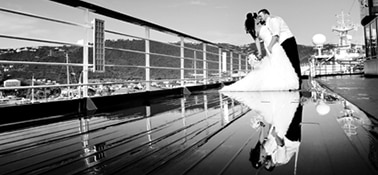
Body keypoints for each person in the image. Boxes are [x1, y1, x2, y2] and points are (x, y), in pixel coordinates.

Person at [220, 12, 299, 91]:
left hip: (270, 44)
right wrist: (267, 48)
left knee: (277, 62)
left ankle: (283, 80)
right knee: (278, 61)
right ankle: (284, 81)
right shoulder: (261, 25)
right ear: (254, 20)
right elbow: (261, 38)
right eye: (257, 18)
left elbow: (256, 40)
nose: (258, 19)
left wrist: (260, 52)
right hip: (272, 44)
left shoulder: (254, 29)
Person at [258, 9, 302, 87]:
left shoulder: (273, 20)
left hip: (288, 41)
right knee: (288, 63)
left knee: (293, 62)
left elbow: (276, 35)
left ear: (266, 14)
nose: (259, 18)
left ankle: (298, 83)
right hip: (283, 43)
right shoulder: (268, 23)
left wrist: (270, 46)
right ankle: (292, 82)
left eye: (260, 16)